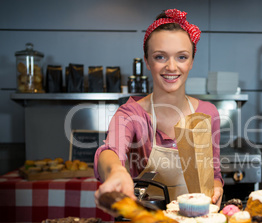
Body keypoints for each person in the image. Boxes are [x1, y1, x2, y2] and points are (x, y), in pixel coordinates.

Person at [94, 9, 223, 208]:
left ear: (191, 62)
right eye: (160, 57)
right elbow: (111, 150)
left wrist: (216, 187)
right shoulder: (131, 114)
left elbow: (214, 173)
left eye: (182, 57)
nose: (171, 67)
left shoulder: (208, 113)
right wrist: (116, 172)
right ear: (147, 61)